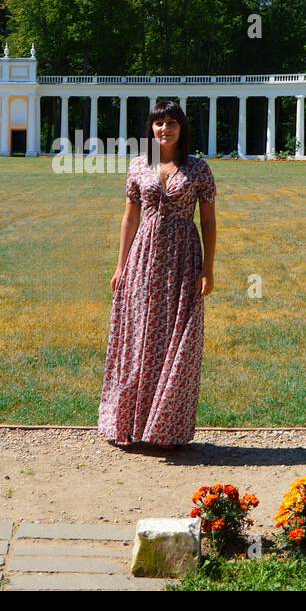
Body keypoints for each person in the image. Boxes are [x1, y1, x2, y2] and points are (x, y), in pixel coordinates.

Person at [98, 101, 217, 451]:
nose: (164, 129)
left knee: (175, 340)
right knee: (137, 339)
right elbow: (130, 219)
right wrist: (120, 267)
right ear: (151, 128)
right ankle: (127, 423)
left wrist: (208, 268)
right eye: (159, 123)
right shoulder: (138, 165)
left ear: (182, 128)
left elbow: (208, 221)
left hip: (182, 259)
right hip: (143, 259)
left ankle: (167, 429)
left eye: (171, 123)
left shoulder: (198, 169)